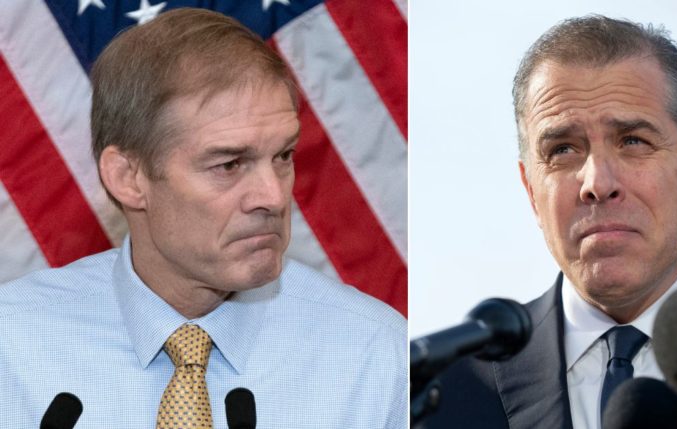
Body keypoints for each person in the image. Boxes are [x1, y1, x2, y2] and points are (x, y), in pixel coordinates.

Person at [0, 8, 406, 428]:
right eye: (229, 164)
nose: (273, 195)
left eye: (283, 156)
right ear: (128, 178)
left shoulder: (373, 354)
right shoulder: (10, 347)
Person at [422, 15, 677, 429]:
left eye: (632, 141)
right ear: (530, 191)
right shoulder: (441, 396)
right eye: (563, 150)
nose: (597, 183)